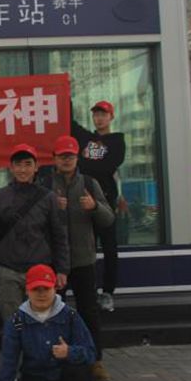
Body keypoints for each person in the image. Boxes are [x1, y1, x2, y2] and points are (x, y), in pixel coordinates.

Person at [50, 136, 115, 381]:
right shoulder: (46, 184)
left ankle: (95, 360)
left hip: (83, 260)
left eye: (70, 156)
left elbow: (109, 219)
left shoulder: (89, 183)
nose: (66, 160)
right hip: (55, 263)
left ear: (77, 158)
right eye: (62, 156)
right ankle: (53, 361)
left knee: (89, 312)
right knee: (53, 313)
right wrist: (52, 206)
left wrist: (94, 206)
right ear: (55, 159)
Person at [0, 144, 69, 323]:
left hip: (40, 269)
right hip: (8, 271)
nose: (23, 169)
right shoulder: (0, 196)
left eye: (28, 164)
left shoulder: (48, 197)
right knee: (13, 323)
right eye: (18, 165)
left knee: (41, 321)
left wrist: (62, 269)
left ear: (36, 167)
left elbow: (59, 235)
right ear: (11, 168)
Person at [71, 100, 126, 312]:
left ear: (111, 117)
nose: (99, 118)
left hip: (105, 202)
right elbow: (71, 123)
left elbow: (108, 166)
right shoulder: (87, 138)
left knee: (110, 248)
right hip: (83, 201)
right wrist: (64, 92)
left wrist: (84, 163)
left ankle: (108, 292)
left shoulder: (117, 141)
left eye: (103, 114)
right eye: (96, 115)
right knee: (86, 248)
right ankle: (89, 291)